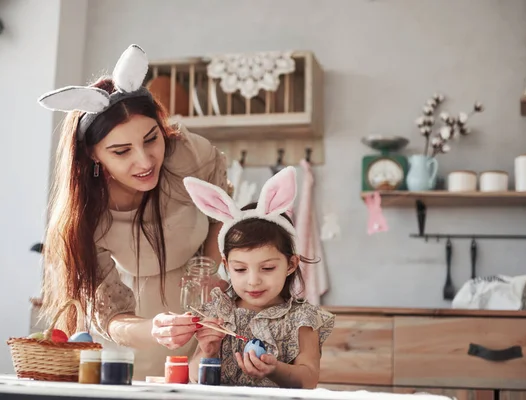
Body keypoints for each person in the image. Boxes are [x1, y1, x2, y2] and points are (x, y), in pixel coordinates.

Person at [37, 44, 228, 379]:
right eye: (121, 151)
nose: (144, 161)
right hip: (140, 339)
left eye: (151, 139)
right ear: (93, 155)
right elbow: (111, 315)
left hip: (211, 325)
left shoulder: (189, 156)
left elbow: (220, 217)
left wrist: (210, 276)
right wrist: (155, 330)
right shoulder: (88, 216)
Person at [183, 166, 335, 388]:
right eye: (240, 270)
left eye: (267, 268)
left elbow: (309, 378)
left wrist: (275, 370)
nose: (253, 281)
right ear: (226, 265)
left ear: (291, 264)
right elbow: (195, 377)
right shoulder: (219, 311)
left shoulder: (302, 319)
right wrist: (209, 352)